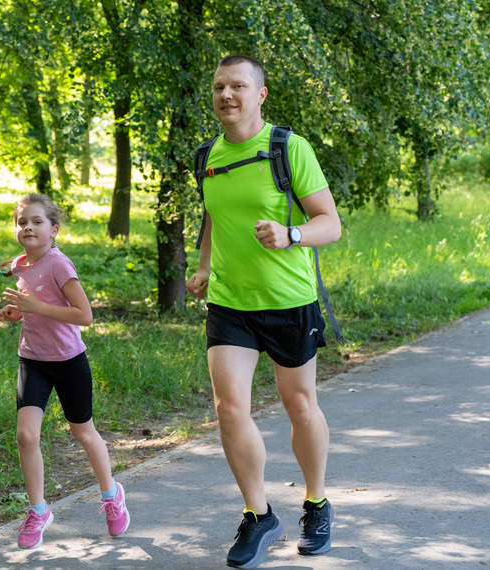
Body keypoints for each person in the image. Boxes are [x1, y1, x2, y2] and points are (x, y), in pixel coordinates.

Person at [186, 55, 341, 569]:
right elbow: (214, 213)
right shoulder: (206, 155)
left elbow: (330, 223)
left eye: (238, 86)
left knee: (299, 405)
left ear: (260, 94)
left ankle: (316, 502)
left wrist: (291, 234)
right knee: (230, 407)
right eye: (218, 87)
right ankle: (258, 514)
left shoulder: (287, 149)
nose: (226, 95)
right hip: (230, 303)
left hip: (289, 301)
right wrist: (205, 265)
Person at [0, 193, 130, 550]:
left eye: (37, 221)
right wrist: (16, 314)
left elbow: (84, 316)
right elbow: (33, 307)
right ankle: (38, 510)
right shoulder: (19, 265)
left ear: (53, 230)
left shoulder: (59, 265)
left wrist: (35, 305)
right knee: (26, 436)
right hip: (33, 360)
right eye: (22, 222)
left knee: (83, 433)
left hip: (69, 361)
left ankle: (111, 494)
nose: (28, 227)